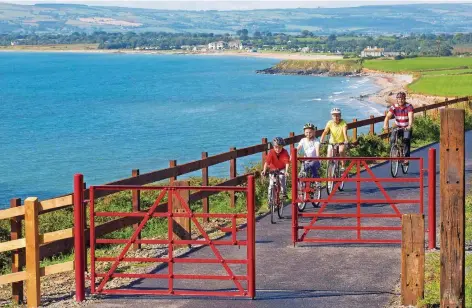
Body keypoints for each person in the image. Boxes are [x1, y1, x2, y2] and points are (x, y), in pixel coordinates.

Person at [383, 91, 414, 164]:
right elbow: (387, 116)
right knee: (392, 139)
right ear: (397, 99)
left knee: (406, 140)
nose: (400, 100)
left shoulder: (409, 106)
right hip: (397, 126)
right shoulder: (394, 106)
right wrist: (385, 125)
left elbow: (410, 117)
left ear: (404, 99)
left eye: (402, 99)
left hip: (406, 127)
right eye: (399, 99)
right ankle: (394, 154)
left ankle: (406, 158)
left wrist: (409, 125)